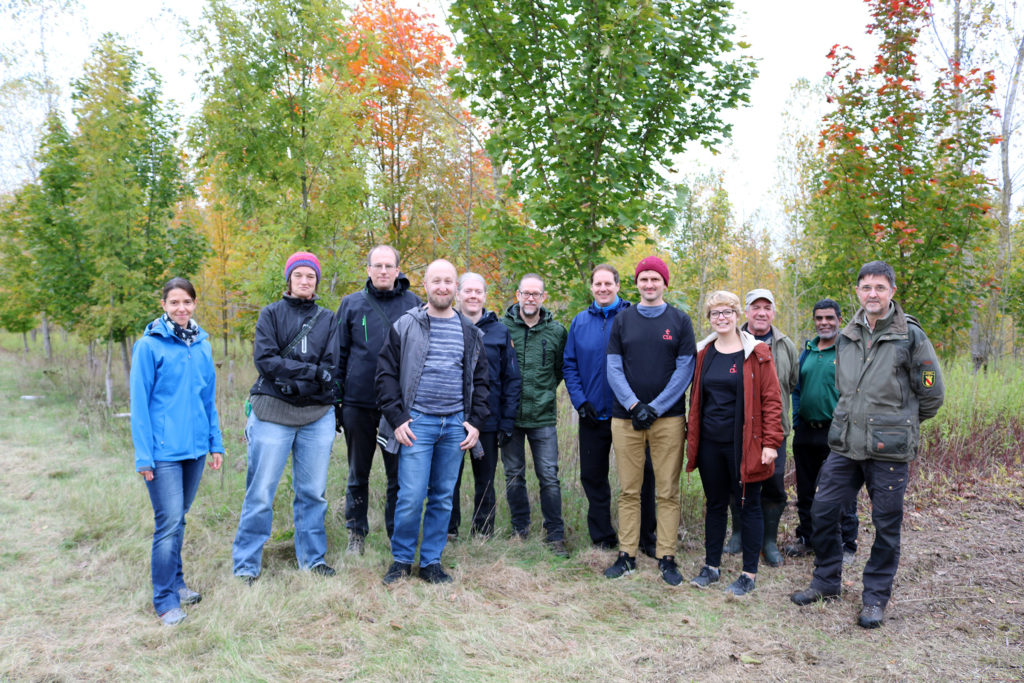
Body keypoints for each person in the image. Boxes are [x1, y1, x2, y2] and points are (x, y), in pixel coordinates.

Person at [791, 261, 944, 629]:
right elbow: (847, 390)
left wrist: (899, 426)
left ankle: (875, 597)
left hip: (888, 451)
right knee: (823, 510)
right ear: (857, 292)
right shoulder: (847, 334)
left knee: (886, 524)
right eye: (865, 287)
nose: (872, 294)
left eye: (879, 287)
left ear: (891, 291)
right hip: (846, 445)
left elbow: (932, 395)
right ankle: (827, 581)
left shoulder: (910, 336)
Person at [377, 259, 490, 585]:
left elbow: (481, 381)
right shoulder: (406, 325)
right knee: (410, 495)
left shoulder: (470, 331)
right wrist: (397, 418)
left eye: (448, 281)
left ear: (455, 287)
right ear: (425, 285)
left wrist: (475, 421)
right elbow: (385, 376)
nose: (442, 287)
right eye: (436, 281)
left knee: (442, 495)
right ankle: (400, 560)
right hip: (417, 425)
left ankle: (430, 563)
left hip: (454, 426)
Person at [233, 251, 339, 582]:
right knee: (261, 492)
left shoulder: (328, 319)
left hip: (317, 414)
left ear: (317, 281)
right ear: (289, 280)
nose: (305, 281)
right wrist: (310, 372)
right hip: (272, 411)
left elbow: (333, 367)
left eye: (310, 276)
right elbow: (266, 361)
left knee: (312, 492)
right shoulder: (271, 315)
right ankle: (246, 565)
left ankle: (313, 558)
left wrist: (299, 375)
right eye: (299, 276)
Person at [130, 277, 224, 626]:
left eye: (187, 302)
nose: (181, 308)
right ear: (164, 305)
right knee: (167, 522)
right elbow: (139, 405)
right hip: (164, 451)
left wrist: (215, 443)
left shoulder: (201, 344)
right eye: (174, 303)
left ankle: (179, 583)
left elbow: (207, 398)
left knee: (178, 518)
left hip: (196, 448)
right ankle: (165, 600)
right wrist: (144, 456)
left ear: (195, 304)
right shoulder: (149, 346)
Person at [603, 256, 696, 585]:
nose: (649, 284)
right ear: (637, 283)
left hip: (667, 420)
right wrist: (632, 404)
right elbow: (613, 367)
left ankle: (666, 556)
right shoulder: (623, 320)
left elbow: (685, 369)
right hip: (625, 419)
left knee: (667, 492)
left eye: (656, 279)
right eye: (644, 279)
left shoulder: (680, 321)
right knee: (629, 490)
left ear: (665, 283)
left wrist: (653, 407)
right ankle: (626, 555)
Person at [685, 290, 783, 596]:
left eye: (727, 312)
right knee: (715, 504)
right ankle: (711, 567)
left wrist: (771, 443)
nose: (721, 318)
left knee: (748, 505)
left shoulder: (757, 353)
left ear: (737, 315)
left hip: (746, 445)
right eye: (715, 314)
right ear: (709, 319)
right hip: (710, 444)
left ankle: (748, 574)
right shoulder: (704, 353)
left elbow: (772, 400)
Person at [563, 264, 657, 554]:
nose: (602, 289)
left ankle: (646, 537)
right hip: (592, 414)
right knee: (593, 476)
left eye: (608, 284)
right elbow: (570, 364)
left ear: (618, 286)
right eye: (597, 284)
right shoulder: (579, 322)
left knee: (641, 477)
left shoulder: (631, 317)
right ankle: (603, 537)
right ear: (591, 288)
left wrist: (637, 403)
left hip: (628, 414)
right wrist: (580, 401)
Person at [335, 245, 421, 555]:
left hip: (398, 409)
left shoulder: (414, 305)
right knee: (358, 473)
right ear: (368, 269)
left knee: (398, 475)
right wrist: (337, 404)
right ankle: (356, 534)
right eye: (377, 265)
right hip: (358, 404)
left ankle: (396, 534)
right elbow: (339, 355)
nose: (383, 271)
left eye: (389, 266)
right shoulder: (351, 304)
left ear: (398, 270)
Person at [721, 289, 797, 567]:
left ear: (773, 312)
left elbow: (791, 383)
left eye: (767, 307)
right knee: (736, 482)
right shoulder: (729, 340)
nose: (762, 312)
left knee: (774, 486)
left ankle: (769, 542)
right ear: (747, 312)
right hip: (737, 430)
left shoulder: (786, 345)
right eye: (756, 307)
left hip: (775, 431)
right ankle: (739, 534)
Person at [448, 273, 521, 539]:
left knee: (485, 480)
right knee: (449, 480)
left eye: (478, 291)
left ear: (485, 296)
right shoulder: (448, 324)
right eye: (468, 291)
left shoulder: (500, 331)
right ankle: (449, 530)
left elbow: (511, 379)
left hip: (487, 420)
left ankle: (483, 531)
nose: (473, 296)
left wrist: (507, 420)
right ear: (458, 294)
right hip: (452, 417)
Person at [785, 299, 859, 562]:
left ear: (839, 319)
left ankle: (847, 544)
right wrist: (795, 420)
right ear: (814, 320)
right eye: (819, 318)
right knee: (805, 490)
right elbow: (796, 388)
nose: (824, 323)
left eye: (829, 318)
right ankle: (807, 538)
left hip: (836, 433)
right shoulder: (807, 350)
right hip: (806, 431)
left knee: (839, 490)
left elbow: (855, 392)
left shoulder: (848, 350)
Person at [501, 274, 569, 556]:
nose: (530, 298)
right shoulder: (502, 327)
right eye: (525, 293)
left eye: (535, 294)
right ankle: (520, 530)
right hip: (510, 417)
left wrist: (542, 393)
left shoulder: (556, 331)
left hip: (542, 417)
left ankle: (555, 534)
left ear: (543, 297)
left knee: (549, 476)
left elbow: (559, 370)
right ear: (517, 295)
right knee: (513, 475)